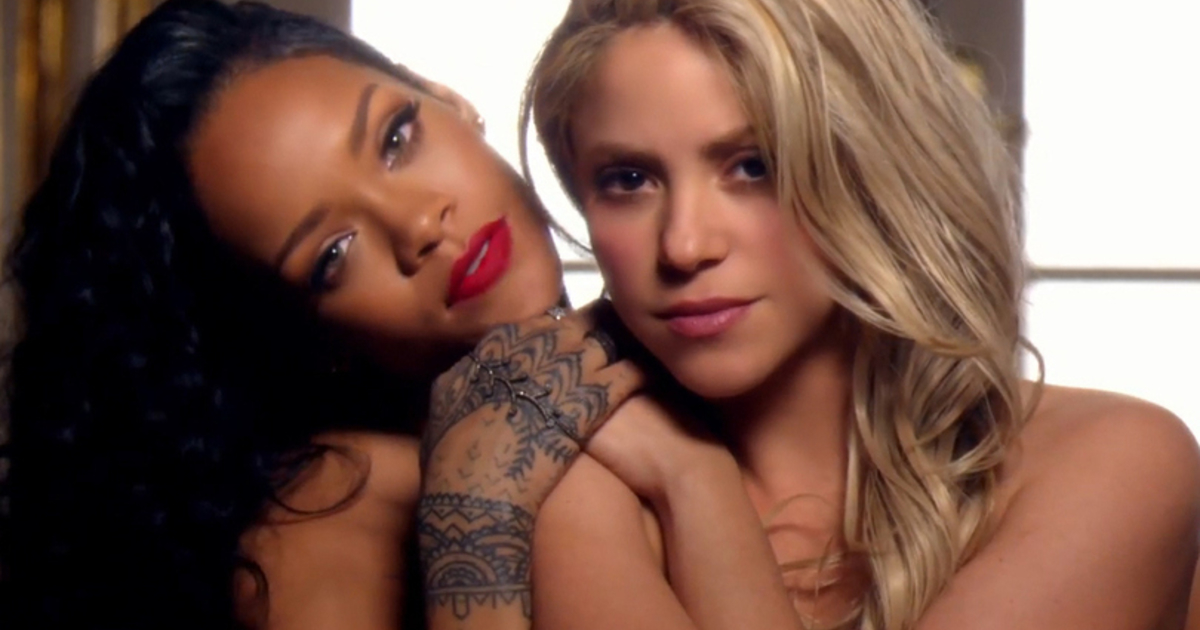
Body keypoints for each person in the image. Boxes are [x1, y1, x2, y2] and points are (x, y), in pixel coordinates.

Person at [519, 1, 1200, 628]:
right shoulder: (578, 491)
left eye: (754, 166)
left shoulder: (1114, 462)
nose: (685, 245)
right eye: (628, 180)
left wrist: (693, 481)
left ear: (872, 167)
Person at [0, 2, 640, 629]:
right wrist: (475, 512)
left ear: (444, 97)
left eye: (395, 139)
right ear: (304, 340)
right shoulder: (332, 520)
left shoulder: (622, 360)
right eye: (333, 255)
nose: (418, 224)